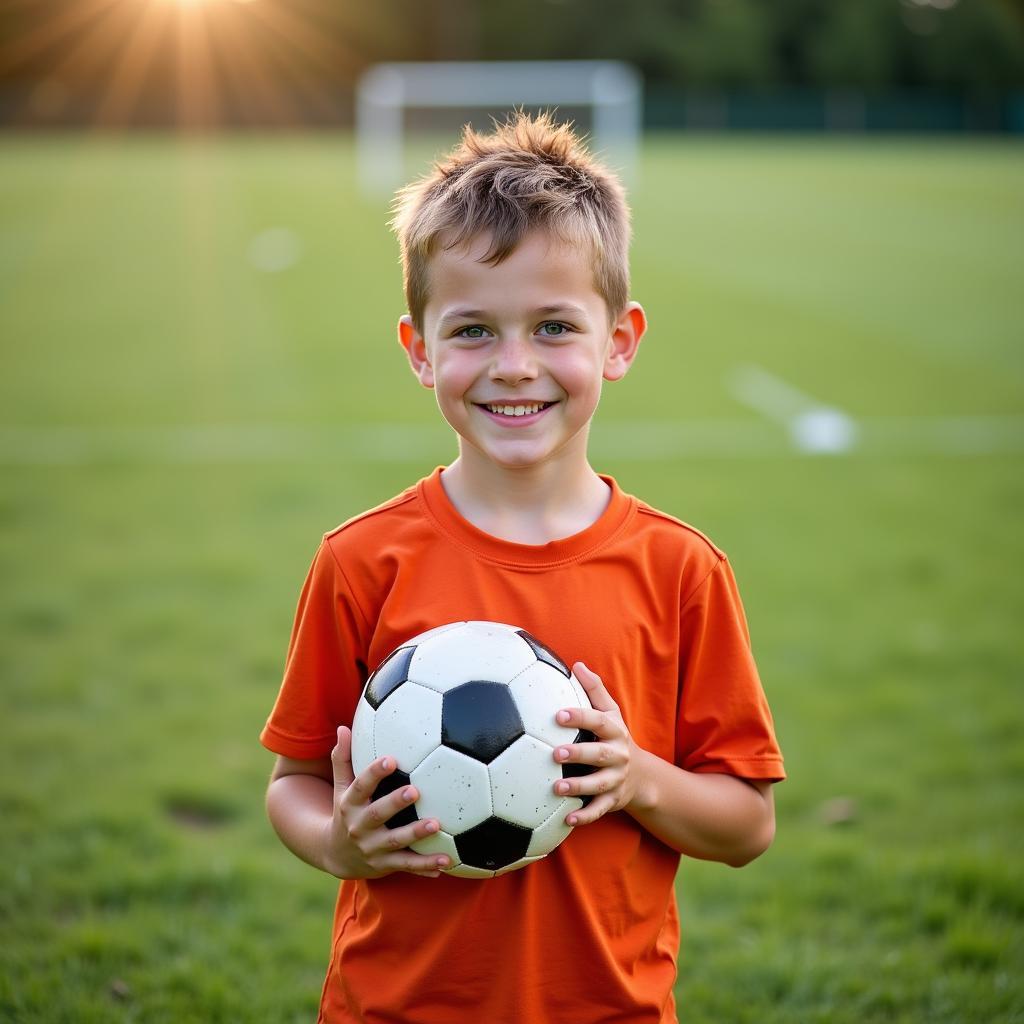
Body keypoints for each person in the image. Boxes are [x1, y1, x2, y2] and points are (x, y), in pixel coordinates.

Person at [260, 112, 785, 1024]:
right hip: (395, 1005)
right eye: (472, 331)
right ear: (419, 350)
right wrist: (337, 844)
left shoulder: (679, 569)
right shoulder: (361, 561)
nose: (513, 367)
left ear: (618, 342)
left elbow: (748, 824)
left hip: (606, 1007)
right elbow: (294, 783)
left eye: (552, 327)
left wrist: (638, 779)